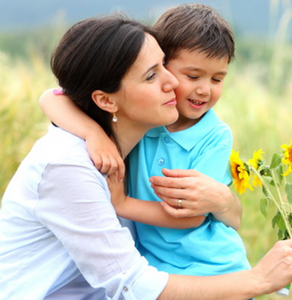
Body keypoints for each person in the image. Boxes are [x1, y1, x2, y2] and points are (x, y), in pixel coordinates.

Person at [0, 13, 292, 300]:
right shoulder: (70, 164)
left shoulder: (138, 138)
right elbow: (133, 285)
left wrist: (227, 203)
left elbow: (206, 215)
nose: (173, 82)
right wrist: (257, 280)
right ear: (106, 100)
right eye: (151, 75)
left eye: (164, 65)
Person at [41, 3, 250, 276]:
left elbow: (192, 214)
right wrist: (93, 133)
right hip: (156, 263)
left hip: (209, 264)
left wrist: (123, 205)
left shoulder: (215, 136)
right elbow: (51, 97)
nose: (204, 90)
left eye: (217, 79)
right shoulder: (148, 117)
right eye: (193, 76)